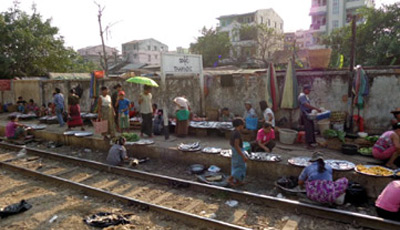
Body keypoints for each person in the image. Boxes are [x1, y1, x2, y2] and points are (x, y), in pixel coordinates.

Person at [228, 118, 248, 187]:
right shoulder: (237, 134)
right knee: (240, 167)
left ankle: (238, 181)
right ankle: (230, 179)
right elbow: (236, 145)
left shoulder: (233, 131)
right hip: (237, 152)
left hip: (234, 151)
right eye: (243, 125)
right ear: (240, 125)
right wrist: (243, 156)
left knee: (236, 166)